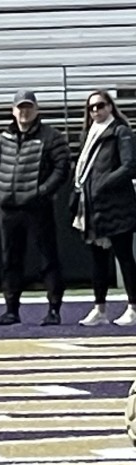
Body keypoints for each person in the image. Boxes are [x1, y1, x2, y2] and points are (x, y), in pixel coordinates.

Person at [0, 89, 70, 326]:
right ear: (13, 111)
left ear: (37, 109)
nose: (24, 112)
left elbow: (62, 168)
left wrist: (41, 193)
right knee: (10, 260)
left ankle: (54, 309)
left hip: (36, 208)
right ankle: (11, 310)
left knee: (48, 258)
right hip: (9, 209)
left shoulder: (51, 137)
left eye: (28, 107)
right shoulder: (4, 138)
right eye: (20, 107)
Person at [71, 89, 136, 326]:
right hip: (92, 205)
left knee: (124, 256)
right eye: (91, 107)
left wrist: (103, 184)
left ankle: (133, 306)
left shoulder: (121, 132)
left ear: (110, 106)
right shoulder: (88, 134)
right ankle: (99, 307)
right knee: (97, 258)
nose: (96, 110)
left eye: (100, 105)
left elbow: (130, 166)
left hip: (116, 204)